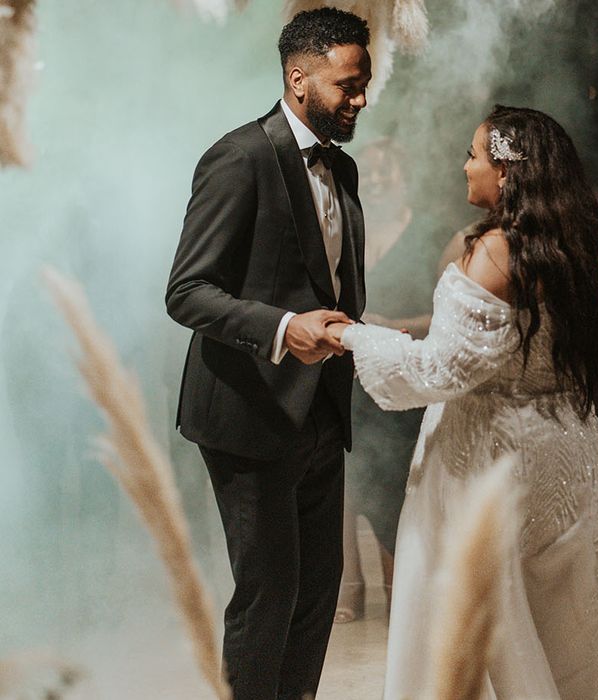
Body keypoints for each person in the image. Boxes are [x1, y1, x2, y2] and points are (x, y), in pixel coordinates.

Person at [329, 106, 598, 699]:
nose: (464, 166)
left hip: (491, 456)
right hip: (566, 449)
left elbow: (443, 370)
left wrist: (354, 336)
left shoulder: (493, 251)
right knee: (574, 617)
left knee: (487, 618)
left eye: (473, 155)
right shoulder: (575, 242)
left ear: (507, 173)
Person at [165, 8, 370, 699]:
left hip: (319, 413)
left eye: (365, 82)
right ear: (299, 78)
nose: (361, 98)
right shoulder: (241, 156)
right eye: (349, 84)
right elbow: (188, 291)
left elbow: (337, 282)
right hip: (247, 414)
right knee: (268, 595)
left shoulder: (343, 169)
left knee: (319, 591)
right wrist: (286, 329)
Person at [335, 139, 443, 623]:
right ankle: (349, 587)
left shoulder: (428, 233)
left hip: (404, 371)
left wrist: (393, 327)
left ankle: (400, 583)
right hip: (347, 370)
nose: (377, 180)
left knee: (397, 480)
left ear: (405, 176)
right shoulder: (347, 229)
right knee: (345, 478)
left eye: (386, 171)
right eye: (369, 173)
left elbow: (448, 314)